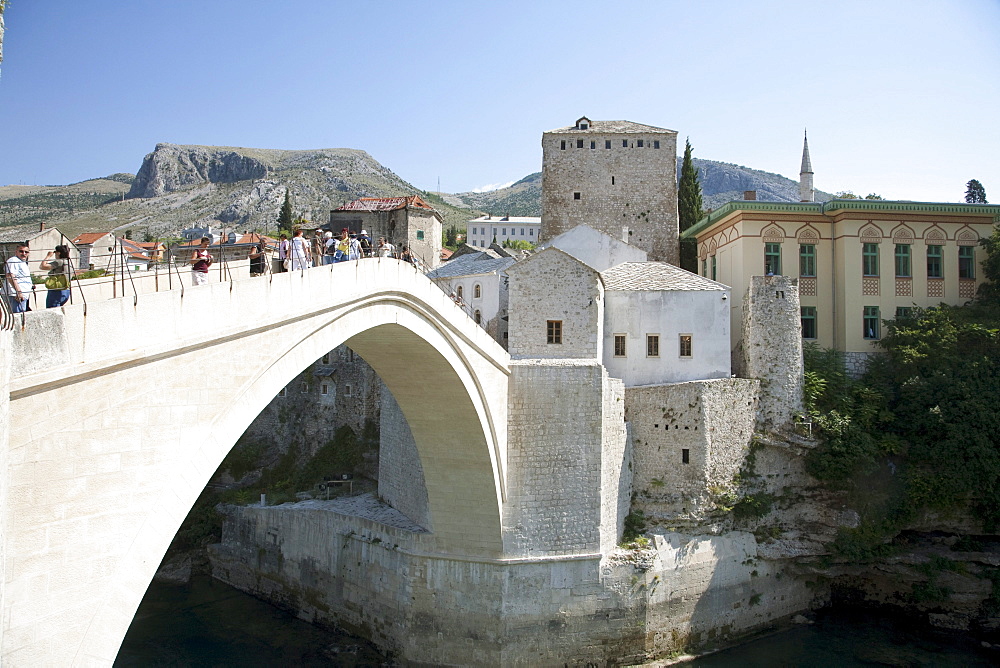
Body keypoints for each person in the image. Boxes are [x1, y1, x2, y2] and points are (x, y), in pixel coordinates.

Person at [4, 243, 33, 313]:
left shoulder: (22, 262)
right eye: (21, 251)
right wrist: (18, 292)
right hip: (15, 295)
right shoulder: (13, 260)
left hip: (21, 294)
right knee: (17, 317)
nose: (24, 253)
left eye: (26, 252)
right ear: (16, 252)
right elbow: (10, 276)